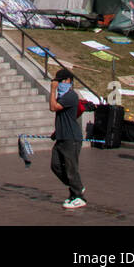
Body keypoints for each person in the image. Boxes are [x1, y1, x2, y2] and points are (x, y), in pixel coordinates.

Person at [49, 68, 85, 209]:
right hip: (62, 137)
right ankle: (76, 187)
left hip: (72, 138)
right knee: (55, 165)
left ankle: (79, 197)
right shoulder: (63, 96)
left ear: (68, 81)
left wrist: (52, 90)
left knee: (71, 168)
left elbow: (53, 107)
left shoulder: (71, 96)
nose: (58, 84)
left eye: (60, 81)